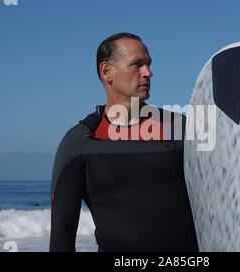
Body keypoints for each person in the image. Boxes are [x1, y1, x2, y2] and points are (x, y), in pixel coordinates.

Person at [49, 32, 198, 252]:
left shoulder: (180, 128)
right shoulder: (82, 142)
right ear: (107, 72)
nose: (148, 72)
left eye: (148, 64)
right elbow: (62, 232)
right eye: (137, 65)